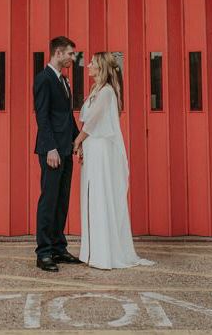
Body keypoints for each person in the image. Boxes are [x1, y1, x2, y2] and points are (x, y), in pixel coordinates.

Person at [73, 52, 154, 269]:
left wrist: (77, 141)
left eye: (92, 62)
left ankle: (104, 253)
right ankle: (93, 251)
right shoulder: (95, 90)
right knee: (90, 195)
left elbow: (92, 122)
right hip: (92, 147)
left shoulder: (107, 92)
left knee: (99, 195)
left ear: (100, 67)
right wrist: (83, 145)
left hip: (100, 150)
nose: (88, 65)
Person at [33, 36, 82, 272]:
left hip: (65, 149)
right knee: (49, 200)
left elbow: (67, 116)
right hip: (51, 151)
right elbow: (42, 117)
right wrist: (50, 147)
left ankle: (58, 248)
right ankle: (43, 253)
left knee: (62, 201)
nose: (73, 58)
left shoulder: (64, 81)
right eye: (71, 54)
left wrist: (77, 140)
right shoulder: (43, 79)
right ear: (59, 53)